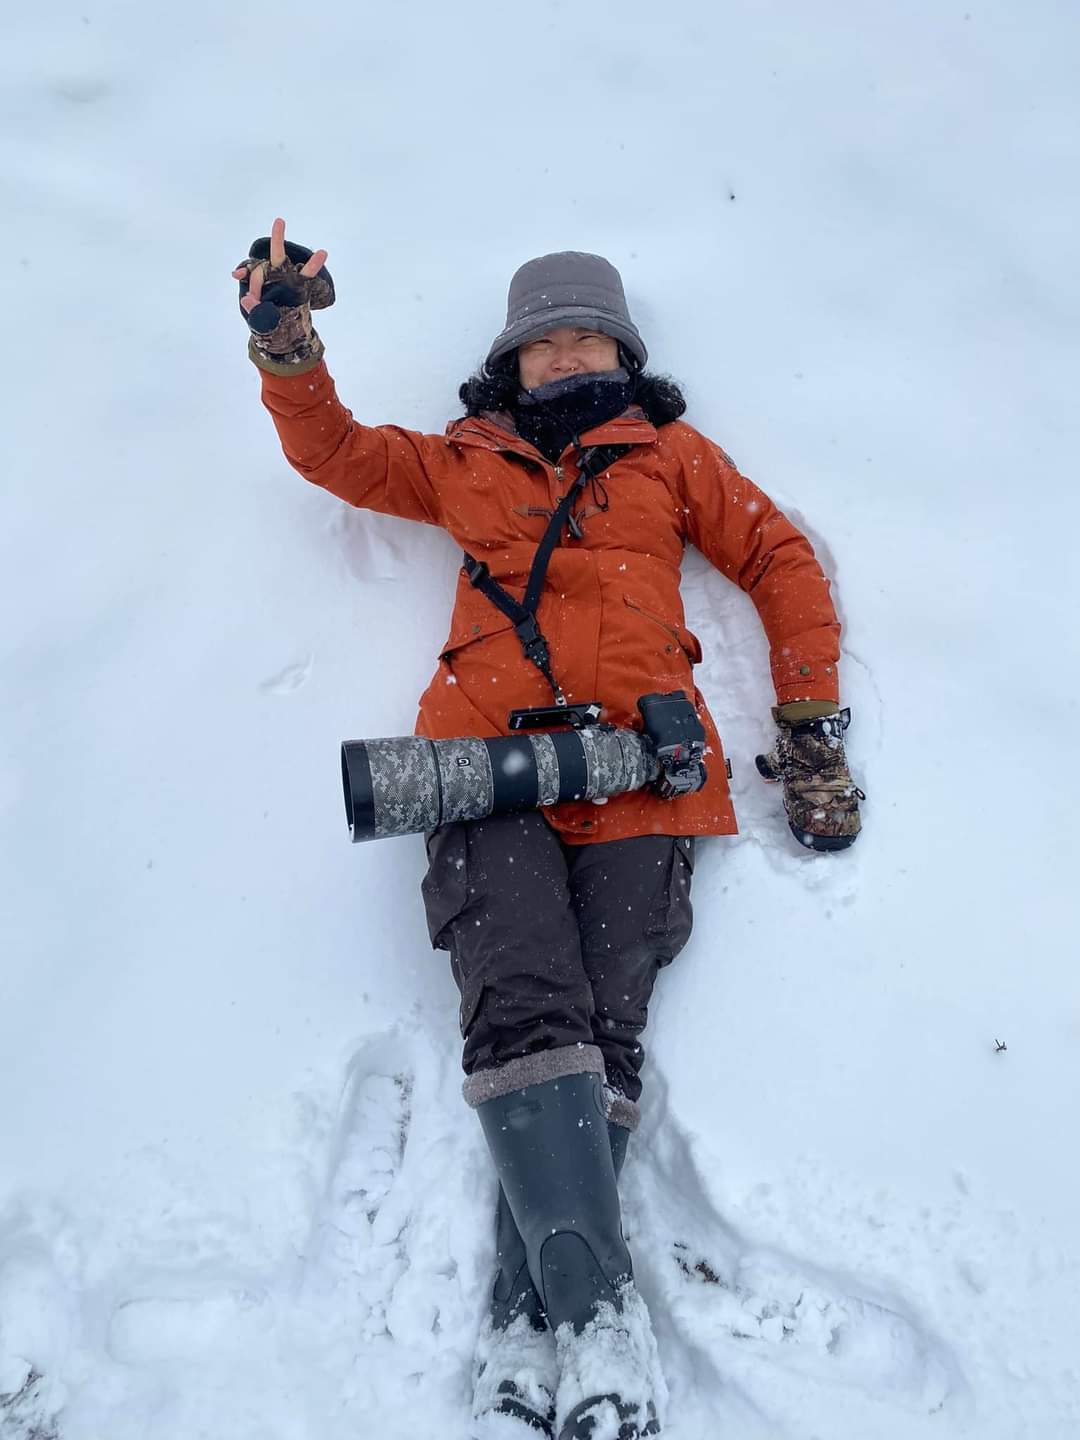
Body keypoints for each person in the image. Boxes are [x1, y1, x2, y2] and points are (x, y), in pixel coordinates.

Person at [233, 221, 862, 1440]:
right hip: (481, 773)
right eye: (545, 340)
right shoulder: (460, 461)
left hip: (644, 771)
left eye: (589, 335)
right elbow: (339, 455)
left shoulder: (673, 457)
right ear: (510, 363)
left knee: (604, 1027)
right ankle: (601, 1325)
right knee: (525, 1004)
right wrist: (287, 344)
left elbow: (778, 559)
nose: (567, 354)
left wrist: (812, 720)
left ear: (621, 354)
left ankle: (529, 1330)